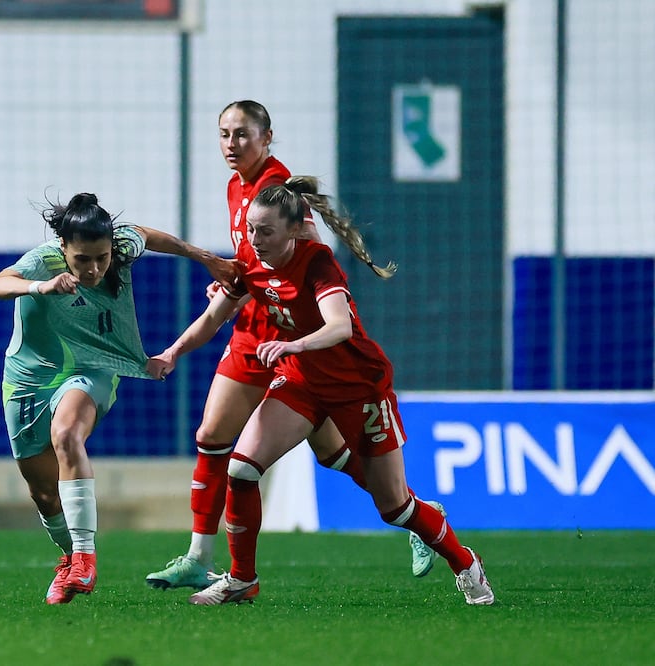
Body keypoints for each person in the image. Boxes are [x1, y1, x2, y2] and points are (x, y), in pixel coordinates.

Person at [147, 177, 495, 606]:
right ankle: (241, 580)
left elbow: (339, 326)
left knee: (395, 507)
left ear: (295, 230)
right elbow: (213, 317)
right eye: (251, 229)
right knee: (241, 470)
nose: (254, 240)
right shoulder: (249, 261)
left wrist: (293, 343)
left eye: (266, 231)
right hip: (301, 382)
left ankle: (465, 561)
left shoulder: (317, 262)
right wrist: (172, 352)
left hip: (359, 388)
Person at [0, 192, 236, 605]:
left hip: (94, 368)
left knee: (67, 434)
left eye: (101, 257)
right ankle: (70, 557)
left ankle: (84, 559)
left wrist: (202, 256)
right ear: (63, 248)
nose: (95, 268)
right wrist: (41, 287)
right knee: (44, 494)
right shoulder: (41, 261)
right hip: (28, 380)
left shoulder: (119, 249)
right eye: (83, 259)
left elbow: (149, 236)